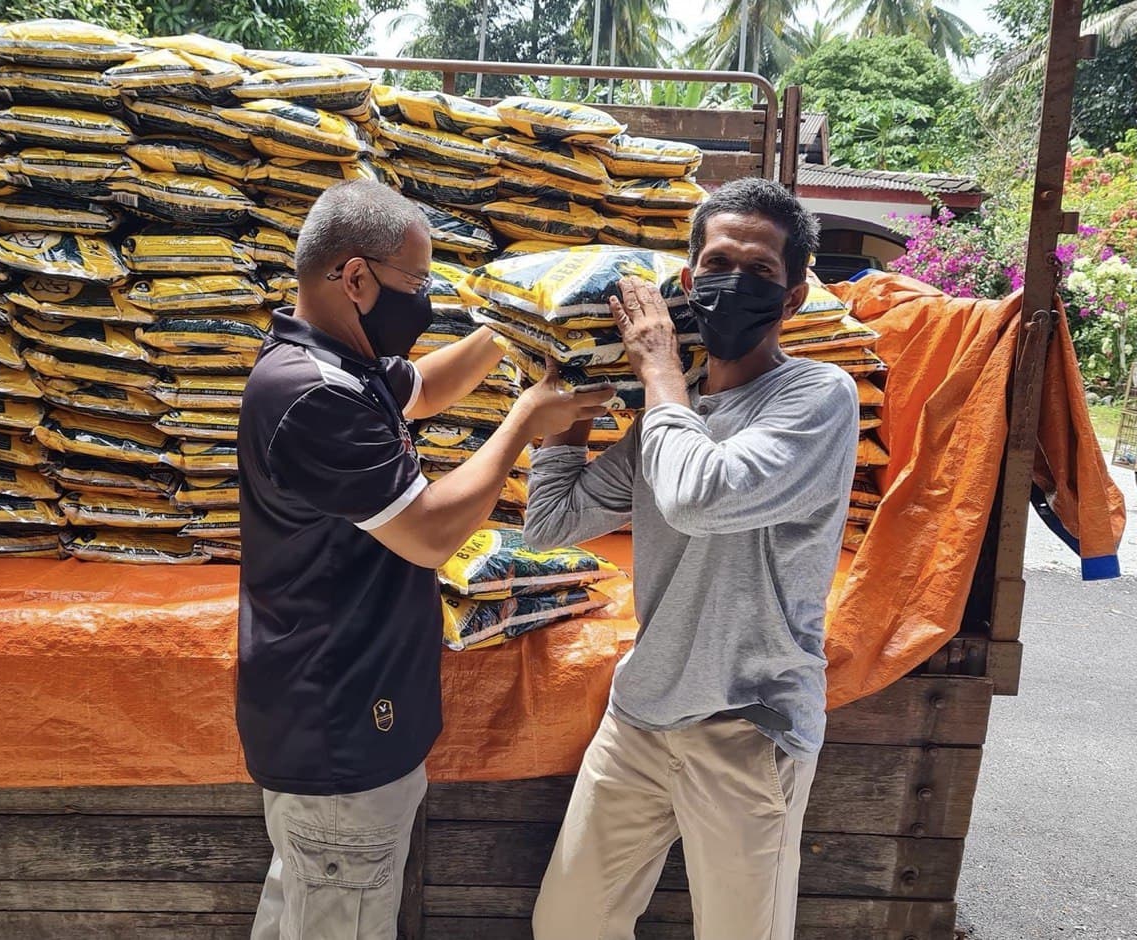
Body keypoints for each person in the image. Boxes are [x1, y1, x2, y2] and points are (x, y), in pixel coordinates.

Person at [236, 179, 611, 940]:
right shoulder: (314, 396)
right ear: (356, 277)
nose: (425, 301)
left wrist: (521, 322)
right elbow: (430, 531)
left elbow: (429, 388)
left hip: (340, 721)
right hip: (340, 727)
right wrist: (522, 424)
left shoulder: (344, 364)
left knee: (309, 908)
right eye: (416, 283)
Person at [524, 178, 860, 940]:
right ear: (688, 280)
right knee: (568, 925)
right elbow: (549, 523)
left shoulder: (816, 398)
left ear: (793, 298)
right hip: (640, 720)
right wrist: (574, 404)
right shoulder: (669, 415)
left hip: (747, 730)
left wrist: (658, 371)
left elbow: (697, 496)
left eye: (759, 271)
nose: (733, 284)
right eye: (718, 264)